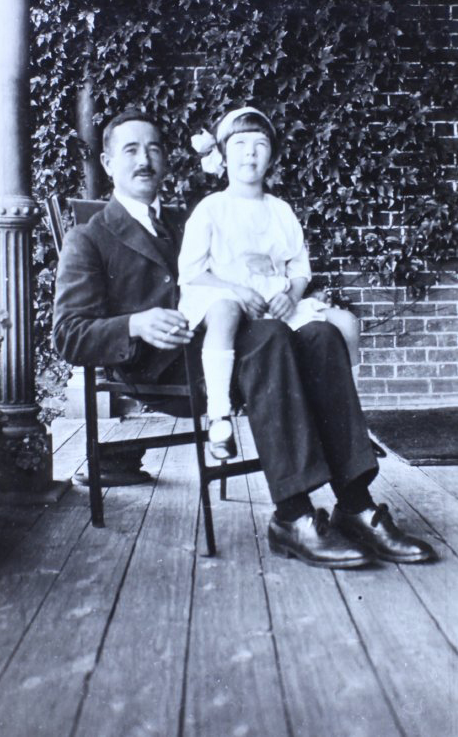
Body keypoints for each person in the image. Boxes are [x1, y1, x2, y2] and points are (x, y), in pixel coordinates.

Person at [53, 107, 436, 570]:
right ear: (108, 162)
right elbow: (68, 334)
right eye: (131, 150)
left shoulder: (190, 218)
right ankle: (292, 516)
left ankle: (355, 504)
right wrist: (134, 324)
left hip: (232, 347)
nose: (144, 160)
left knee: (319, 335)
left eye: (154, 149)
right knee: (272, 338)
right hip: (164, 364)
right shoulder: (89, 238)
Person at [178, 107, 360, 460]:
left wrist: (292, 295)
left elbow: (299, 268)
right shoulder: (211, 208)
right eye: (241, 143)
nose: (250, 152)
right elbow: (191, 270)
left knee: (346, 323)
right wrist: (237, 291)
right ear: (223, 155)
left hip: (275, 302)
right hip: (223, 299)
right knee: (226, 310)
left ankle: (354, 418)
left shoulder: (280, 211)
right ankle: (219, 414)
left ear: (271, 158)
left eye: (260, 144)